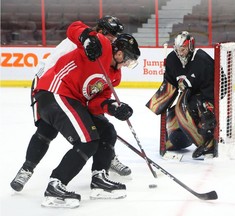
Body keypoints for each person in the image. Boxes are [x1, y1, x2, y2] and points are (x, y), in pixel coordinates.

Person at [10, 22, 140, 208]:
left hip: (74, 100)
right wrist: (87, 38)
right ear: (119, 52)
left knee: (107, 132)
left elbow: (95, 102)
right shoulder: (101, 44)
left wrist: (113, 108)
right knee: (86, 140)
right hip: (55, 91)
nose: (128, 63)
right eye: (128, 58)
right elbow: (74, 28)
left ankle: (99, 179)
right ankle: (55, 186)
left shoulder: (115, 76)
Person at [146, 31, 217, 159]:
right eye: (178, 49)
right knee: (176, 136)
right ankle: (187, 136)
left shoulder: (202, 59)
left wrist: (209, 106)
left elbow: (215, 84)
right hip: (188, 96)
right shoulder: (172, 59)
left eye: (183, 49)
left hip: (205, 94)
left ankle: (208, 142)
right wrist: (159, 103)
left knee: (186, 107)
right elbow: (169, 84)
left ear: (190, 47)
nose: (180, 53)